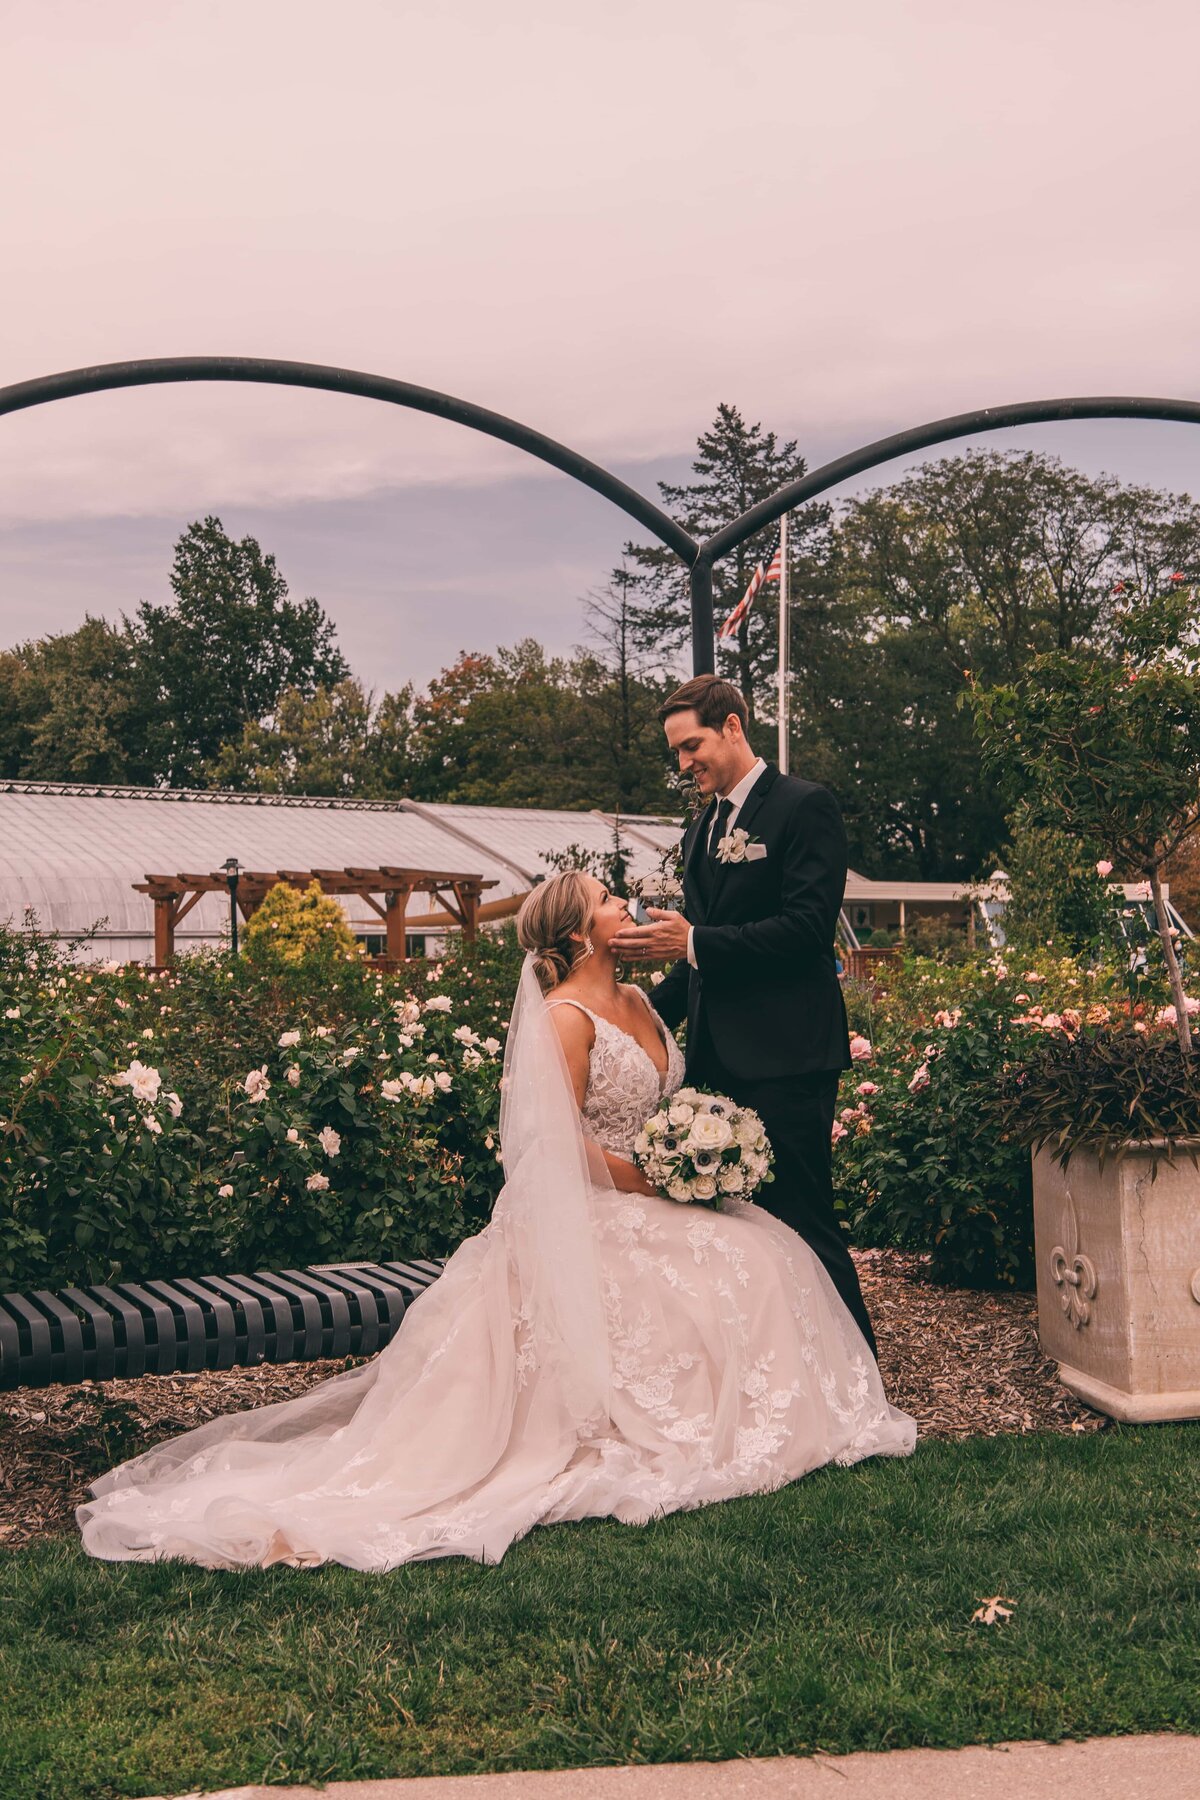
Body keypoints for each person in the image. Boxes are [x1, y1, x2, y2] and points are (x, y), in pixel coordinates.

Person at [77, 871, 913, 1574]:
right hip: (593, 1206)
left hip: (658, 1192)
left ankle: (777, 1418)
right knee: (732, 1262)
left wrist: (703, 1158)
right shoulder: (565, 1019)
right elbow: (557, 1146)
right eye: (611, 900)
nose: (630, 906)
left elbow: (668, 1099)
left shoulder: (643, 1003)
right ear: (583, 932)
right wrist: (657, 1183)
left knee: (764, 1255)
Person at [612, 674, 877, 1351]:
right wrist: (628, 1011)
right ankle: (783, 1365)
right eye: (675, 752)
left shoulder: (804, 806)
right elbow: (699, 956)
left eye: (691, 745)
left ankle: (857, 1368)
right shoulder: (704, 828)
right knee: (742, 1228)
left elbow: (807, 930)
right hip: (718, 1060)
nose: (683, 764)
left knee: (803, 1216)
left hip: (788, 1057)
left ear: (733, 726)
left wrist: (693, 940)